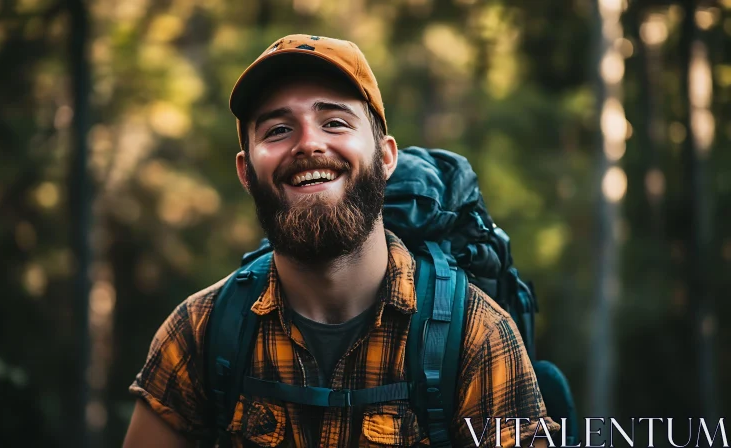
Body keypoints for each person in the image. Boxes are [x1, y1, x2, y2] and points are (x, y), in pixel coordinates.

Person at [123, 34, 559, 447]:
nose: (308, 144)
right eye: (277, 130)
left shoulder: (476, 338)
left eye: (334, 122)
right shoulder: (198, 334)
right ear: (245, 172)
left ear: (385, 157)